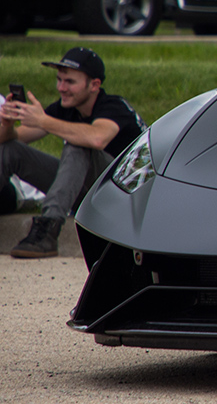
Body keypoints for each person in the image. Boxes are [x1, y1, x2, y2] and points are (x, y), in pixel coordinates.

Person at [0, 47, 144, 258]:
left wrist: (44, 121)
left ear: (94, 85)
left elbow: (97, 137)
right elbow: (16, 139)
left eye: (70, 82)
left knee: (80, 142)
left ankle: (48, 229)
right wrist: (7, 126)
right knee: (9, 150)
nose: (61, 88)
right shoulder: (66, 108)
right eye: (59, 80)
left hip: (124, 196)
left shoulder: (114, 106)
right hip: (86, 192)